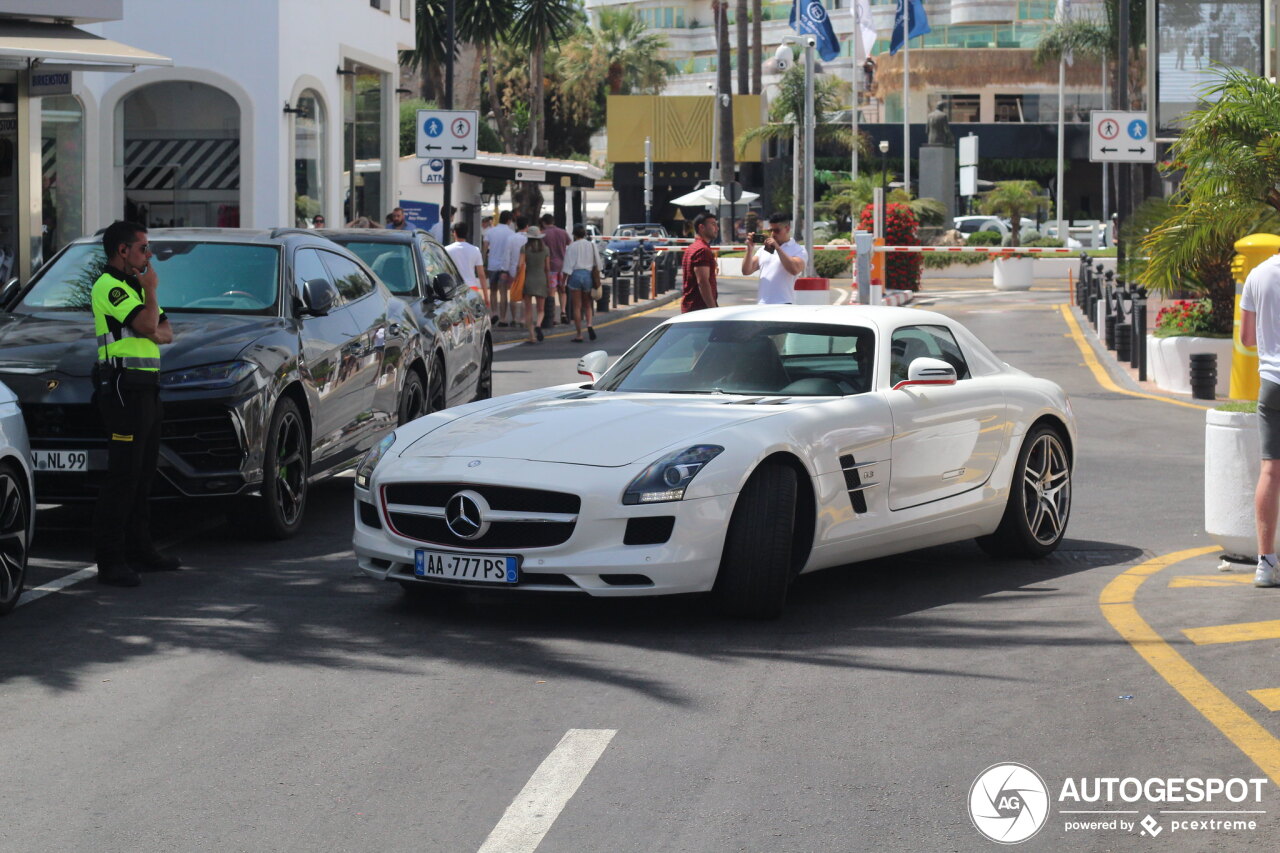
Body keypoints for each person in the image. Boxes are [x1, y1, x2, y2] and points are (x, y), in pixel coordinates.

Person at [90, 221, 180, 587]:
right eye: (143, 248)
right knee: (123, 477)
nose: (149, 255)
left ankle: (141, 548)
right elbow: (147, 328)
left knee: (144, 475)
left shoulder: (135, 287)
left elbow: (168, 334)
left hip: (147, 389)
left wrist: (148, 302)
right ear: (122, 251)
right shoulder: (109, 286)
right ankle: (110, 560)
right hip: (124, 389)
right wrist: (152, 293)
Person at [1241, 255, 1280, 587]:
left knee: (1270, 470)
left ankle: (1265, 564)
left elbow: (1246, 338)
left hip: (1271, 384)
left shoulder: (1257, 274)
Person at [741, 212, 808, 304]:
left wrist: (778, 248)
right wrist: (750, 249)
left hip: (784, 303)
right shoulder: (763, 250)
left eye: (776, 230)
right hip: (762, 303)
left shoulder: (798, 250)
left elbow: (794, 269)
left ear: (787, 228)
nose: (773, 234)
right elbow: (746, 271)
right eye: (770, 230)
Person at [562, 225, 601, 342]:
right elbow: (599, 264)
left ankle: (579, 334)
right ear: (584, 234)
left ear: (574, 234)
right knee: (588, 304)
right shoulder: (592, 245)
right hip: (588, 275)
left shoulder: (571, 247)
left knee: (577, 307)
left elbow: (567, 266)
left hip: (575, 275)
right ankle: (589, 324)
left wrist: (563, 281)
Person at [681, 212, 720, 313]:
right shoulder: (702, 250)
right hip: (701, 310)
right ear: (702, 227)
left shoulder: (692, 248)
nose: (717, 228)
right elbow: (702, 282)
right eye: (713, 224)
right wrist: (713, 310)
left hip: (692, 308)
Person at [518, 225, 551, 344]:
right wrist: (549, 282)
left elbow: (520, 265)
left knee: (528, 309)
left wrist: (517, 277)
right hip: (541, 279)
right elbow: (547, 268)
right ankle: (538, 324)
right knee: (541, 309)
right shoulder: (545, 249)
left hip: (528, 279)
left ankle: (531, 335)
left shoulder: (524, 248)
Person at [540, 213, 571, 325]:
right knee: (562, 290)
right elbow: (570, 244)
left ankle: (551, 316)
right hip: (563, 266)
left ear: (544, 222)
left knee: (551, 292)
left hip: (550, 267)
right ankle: (563, 312)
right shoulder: (563, 232)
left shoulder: (543, 234)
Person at [486, 211, 515, 326]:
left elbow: (485, 247)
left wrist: (484, 262)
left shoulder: (490, 231)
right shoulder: (511, 233)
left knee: (492, 291)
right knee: (503, 293)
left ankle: (494, 313)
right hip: (504, 266)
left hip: (492, 264)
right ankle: (503, 319)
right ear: (509, 220)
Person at [445, 221, 487, 302]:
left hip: (454, 290)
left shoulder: (446, 250)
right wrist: (486, 297)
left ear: (454, 233)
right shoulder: (475, 250)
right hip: (472, 288)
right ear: (467, 233)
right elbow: (481, 275)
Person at [506, 216, 529, 325]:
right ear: (527, 226)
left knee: (513, 294)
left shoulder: (511, 238)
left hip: (513, 268)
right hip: (527, 269)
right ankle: (523, 319)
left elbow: (507, 255)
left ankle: (514, 318)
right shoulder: (530, 238)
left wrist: (505, 269)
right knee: (525, 296)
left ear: (516, 225)